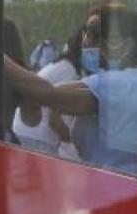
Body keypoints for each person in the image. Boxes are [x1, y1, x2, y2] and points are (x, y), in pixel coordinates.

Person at [4, 4, 137, 178]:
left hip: (112, 190)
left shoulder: (121, 84)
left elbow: (50, 95)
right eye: (85, 32)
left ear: (126, 45)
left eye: (95, 34)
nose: (85, 41)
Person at [11, 24, 87, 157]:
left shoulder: (61, 65)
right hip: (37, 136)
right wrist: (73, 144)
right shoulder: (70, 72)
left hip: (26, 128)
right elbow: (55, 119)